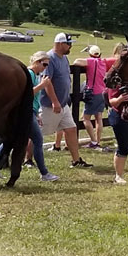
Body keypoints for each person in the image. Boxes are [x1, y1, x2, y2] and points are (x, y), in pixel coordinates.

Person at [0, 51, 59, 182]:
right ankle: (44, 173)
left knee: (9, 141)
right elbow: (26, 94)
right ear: (37, 61)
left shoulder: (35, 75)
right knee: (38, 141)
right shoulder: (29, 74)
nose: (45, 68)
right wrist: (42, 86)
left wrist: (36, 113)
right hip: (26, 113)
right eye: (44, 64)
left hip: (31, 112)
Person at [40, 32, 93, 168]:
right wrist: (54, 101)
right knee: (37, 133)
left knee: (71, 129)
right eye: (68, 44)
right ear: (59, 44)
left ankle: (76, 160)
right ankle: (27, 160)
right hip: (50, 105)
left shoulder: (64, 58)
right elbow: (47, 81)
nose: (70, 46)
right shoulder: (49, 59)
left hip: (64, 104)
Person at [72, 45, 109, 151]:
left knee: (85, 118)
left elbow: (76, 61)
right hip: (102, 92)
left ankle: (93, 141)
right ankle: (98, 140)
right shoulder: (102, 62)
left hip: (93, 93)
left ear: (90, 54)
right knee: (99, 118)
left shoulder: (92, 61)